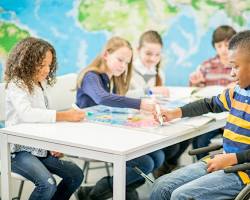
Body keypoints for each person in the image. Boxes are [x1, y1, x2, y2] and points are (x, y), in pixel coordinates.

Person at [150, 30, 250, 200]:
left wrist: (232, 158)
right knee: (161, 186)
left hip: (243, 171)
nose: (231, 73)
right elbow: (208, 104)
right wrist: (176, 112)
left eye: (236, 66)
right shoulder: (237, 91)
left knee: (181, 196)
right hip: (224, 158)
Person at [76, 36, 165, 200]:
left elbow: (113, 109)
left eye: (126, 63)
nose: (123, 66)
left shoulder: (114, 79)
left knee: (158, 156)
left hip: (109, 132)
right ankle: (97, 194)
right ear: (105, 55)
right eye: (120, 60)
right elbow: (103, 99)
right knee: (145, 163)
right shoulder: (91, 76)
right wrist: (139, 104)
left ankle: (107, 191)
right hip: (89, 136)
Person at [4, 37, 85, 200]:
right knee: (47, 184)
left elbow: (42, 120)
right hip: (17, 151)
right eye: (42, 65)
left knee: (75, 174)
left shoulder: (39, 84)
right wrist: (64, 116)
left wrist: (52, 144)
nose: (47, 70)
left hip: (39, 148)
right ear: (26, 62)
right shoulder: (16, 84)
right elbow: (27, 113)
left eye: (49, 65)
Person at [189, 25, 236, 159]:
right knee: (199, 141)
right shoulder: (206, 65)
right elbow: (196, 92)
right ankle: (203, 169)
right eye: (219, 46)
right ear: (214, 47)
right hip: (211, 116)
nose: (224, 50)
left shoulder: (240, 65)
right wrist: (195, 83)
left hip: (232, 117)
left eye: (227, 45)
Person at [127, 30, 169, 97]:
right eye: (148, 53)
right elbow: (121, 95)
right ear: (138, 50)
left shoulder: (160, 74)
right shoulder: (126, 71)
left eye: (157, 54)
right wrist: (148, 91)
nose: (153, 59)